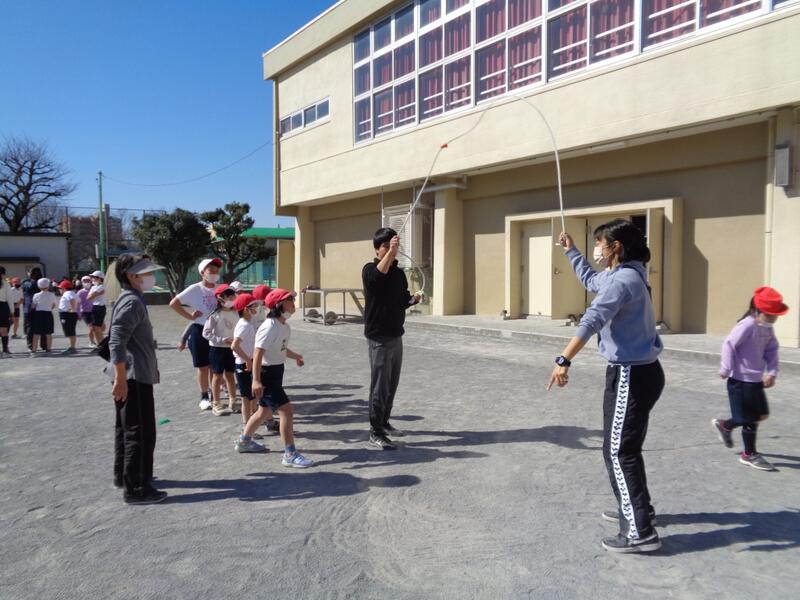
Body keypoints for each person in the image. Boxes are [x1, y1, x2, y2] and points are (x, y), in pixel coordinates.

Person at [549, 219, 664, 554]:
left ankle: (639, 532)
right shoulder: (626, 273)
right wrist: (571, 251)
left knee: (619, 451)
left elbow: (593, 318)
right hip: (642, 372)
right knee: (625, 449)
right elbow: (590, 278)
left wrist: (563, 359)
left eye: (600, 242)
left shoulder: (622, 280)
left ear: (616, 246)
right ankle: (638, 510)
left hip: (631, 374)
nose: (597, 247)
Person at [108, 253, 167, 504]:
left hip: (130, 374)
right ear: (132, 276)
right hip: (134, 375)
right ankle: (137, 488)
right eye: (146, 273)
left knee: (127, 429)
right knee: (140, 432)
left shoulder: (129, 298)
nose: (151, 277)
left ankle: (125, 477)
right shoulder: (132, 302)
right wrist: (121, 378)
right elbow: (116, 340)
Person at [235, 288, 314, 468]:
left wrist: (296, 356)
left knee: (264, 411)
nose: (293, 303)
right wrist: (256, 380)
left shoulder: (284, 326)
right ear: (278, 305)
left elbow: (281, 349)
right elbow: (257, 353)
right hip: (266, 374)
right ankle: (290, 454)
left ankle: (244, 442)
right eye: (289, 300)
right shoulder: (269, 326)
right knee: (286, 410)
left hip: (276, 371)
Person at [712, 287, 788, 471]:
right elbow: (729, 344)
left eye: (776, 315)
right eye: (770, 315)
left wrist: (772, 372)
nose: (773, 319)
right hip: (740, 380)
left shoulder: (767, 328)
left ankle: (725, 426)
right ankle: (749, 454)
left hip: (755, 380)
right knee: (749, 418)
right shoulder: (747, 325)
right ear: (758, 310)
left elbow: (772, 350)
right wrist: (726, 367)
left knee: (761, 415)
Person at [362, 228, 423, 450]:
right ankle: (375, 431)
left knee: (391, 384)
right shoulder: (369, 270)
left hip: (396, 335)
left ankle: (384, 422)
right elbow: (378, 278)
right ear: (377, 249)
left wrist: (413, 299)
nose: (390, 250)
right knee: (379, 386)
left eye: (392, 246)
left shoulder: (398, 274)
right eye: (385, 246)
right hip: (378, 337)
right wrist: (391, 252)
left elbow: (401, 300)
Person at [170, 258, 222, 409]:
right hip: (200, 330)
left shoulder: (220, 288)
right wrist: (190, 317)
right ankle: (204, 396)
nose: (214, 273)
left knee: (215, 367)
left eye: (216, 271)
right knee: (203, 366)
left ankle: (214, 395)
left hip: (217, 331)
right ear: (202, 273)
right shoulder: (195, 288)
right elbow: (174, 303)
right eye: (210, 270)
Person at [231, 293, 266, 436]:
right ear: (246, 309)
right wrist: (247, 360)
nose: (256, 308)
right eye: (254, 306)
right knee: (246, 397)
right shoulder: (244, 325)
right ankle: (246, 426)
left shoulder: (249, 323)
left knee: (253, 396)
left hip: (250, 362)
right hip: (243, 365)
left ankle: (253, 420)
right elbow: (234, 346)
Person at [202, 284, 239, 416]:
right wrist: (222, 339)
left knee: (230, 375)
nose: (232, 298)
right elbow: (206, 333)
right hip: (217, 349)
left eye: (233, 295)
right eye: (228, 296)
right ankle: (216, 402)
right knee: (217, 376)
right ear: (220, 298)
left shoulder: (236, 313)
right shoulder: (215, 314)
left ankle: (233, 401)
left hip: (232, 349)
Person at [31, 277, 57, 355]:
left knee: (36, 333)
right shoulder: (52, 294)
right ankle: (48, 349)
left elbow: (33, 306)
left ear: (39, 286)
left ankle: (34, 349)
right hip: (48, 313)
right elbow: (53, 305)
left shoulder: (36, 295)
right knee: (48, 333)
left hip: (38, 314)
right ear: (48, 286)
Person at [22, 266, 43, 350]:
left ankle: (30, 344)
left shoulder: (25, 282)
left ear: (30, 273)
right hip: (41, 307)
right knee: (42, 325)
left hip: (28, 307)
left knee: (30, 326)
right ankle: (44, 344)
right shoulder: (41, 282)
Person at [57, 279, 79, 354]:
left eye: (60, 288)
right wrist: (76, 311)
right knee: (71, 330)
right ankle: (72, 347)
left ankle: (72, 347)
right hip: (68, 313)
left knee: (69, 330)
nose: (59, 290)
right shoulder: (73, 293)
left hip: (67, 314)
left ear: (64, 288)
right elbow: (78, 301)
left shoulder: (68, 293)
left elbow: (72, 300)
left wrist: (73, 309)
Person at [87, 270, 108, 349]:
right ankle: (101, 343)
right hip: (95, 307)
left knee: (97, 327)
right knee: (97, 327)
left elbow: (90, 297)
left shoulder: (101, 286)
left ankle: (101, 344)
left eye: (94, 277)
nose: (92, 278)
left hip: (99, 307)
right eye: (92, 277)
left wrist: (94, 294)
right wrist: (96, 294)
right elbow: (88, 298)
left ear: (99, 278)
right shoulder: (94, 287)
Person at [76, 275, 96, 344]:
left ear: (91, 282)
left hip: (94, 311)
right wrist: (78, 314)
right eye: (85, 281)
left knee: (100, 327)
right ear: (82, 282)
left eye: (88, 281)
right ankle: (92, 342)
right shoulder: (80, 292)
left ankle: (97, 339)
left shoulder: (94, 290)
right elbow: (77, 304)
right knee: (91, 327)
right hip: (85, 312)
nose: (87, 283)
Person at [0, 266, 11, 357]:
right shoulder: (6, 284)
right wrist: (12, 311)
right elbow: (9, 299)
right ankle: (5, 350)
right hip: (3, 307)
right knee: (4, 330)